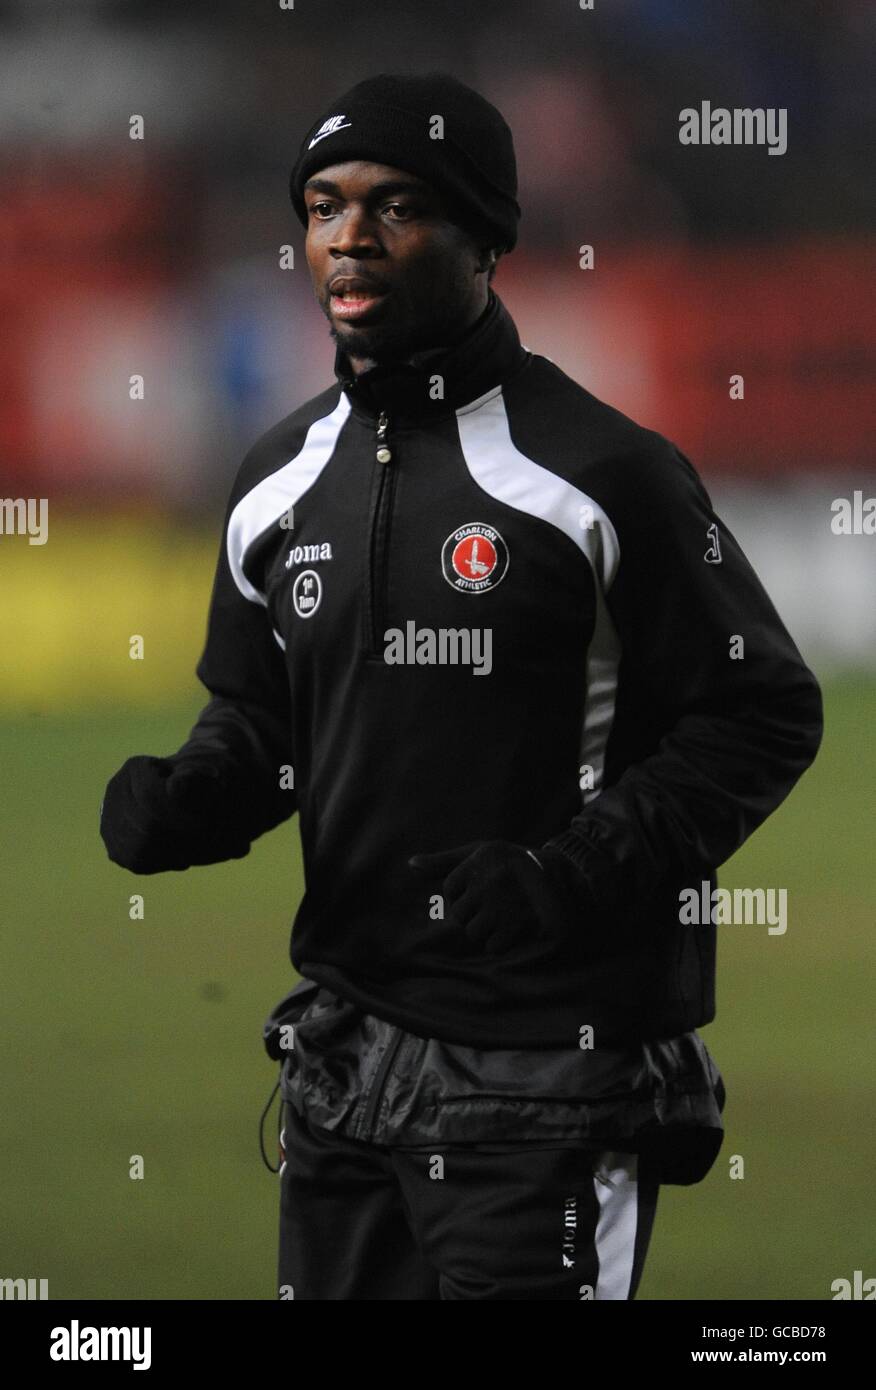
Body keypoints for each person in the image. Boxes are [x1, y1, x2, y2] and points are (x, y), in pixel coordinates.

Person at [100, 72, 823, 1301]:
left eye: (398, 206)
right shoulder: (277, 477)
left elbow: (761, 711)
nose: (350, 236)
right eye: (324, 205)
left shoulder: (605, 472)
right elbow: (267, 711)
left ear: (488, 238)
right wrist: (204, 789)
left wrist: (568, 875)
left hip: (549, 1080)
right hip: (344, 1066)